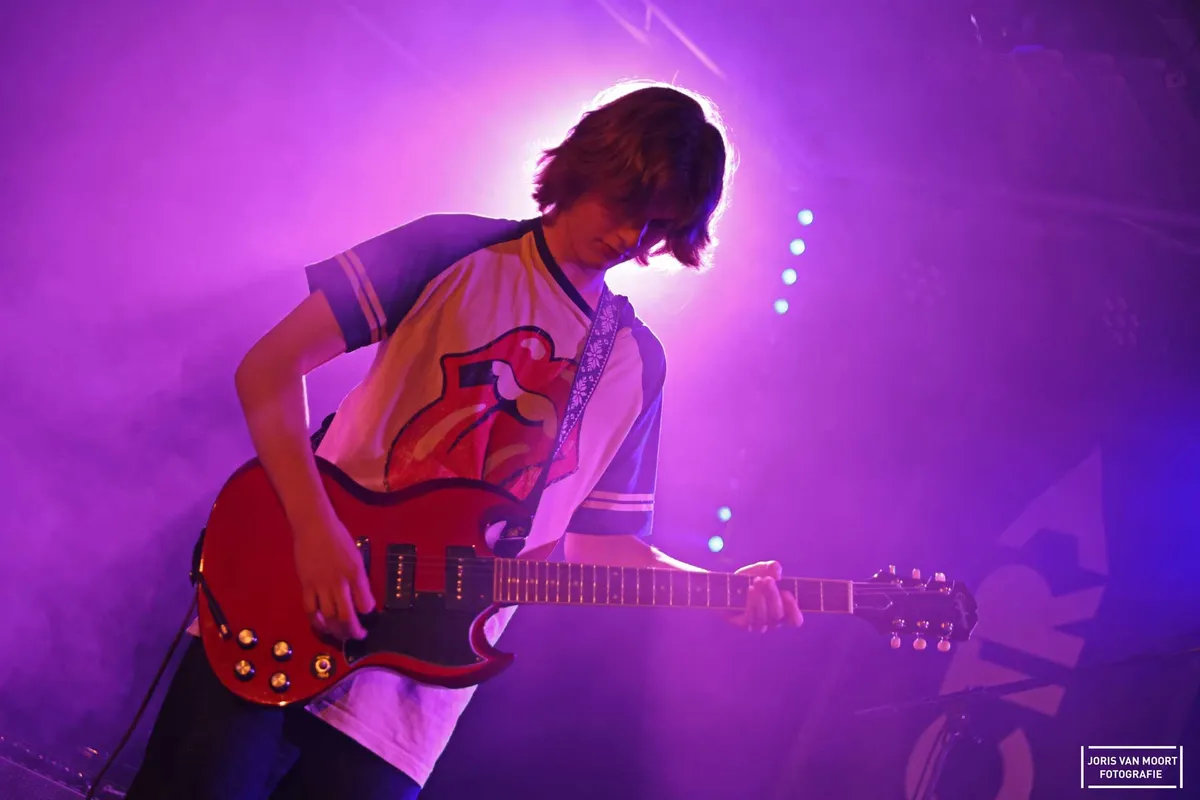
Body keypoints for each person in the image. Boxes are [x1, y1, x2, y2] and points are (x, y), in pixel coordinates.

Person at [125, 80, 803, 800]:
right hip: (291, 587)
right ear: (591, 165)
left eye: (657, 225)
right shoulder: (451, 248)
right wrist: (316, 533)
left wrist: (716, 591)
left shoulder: (637, 363)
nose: (630, 239)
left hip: (410, 698)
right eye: (626, 205)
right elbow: (268, 368)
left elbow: (601, 547)